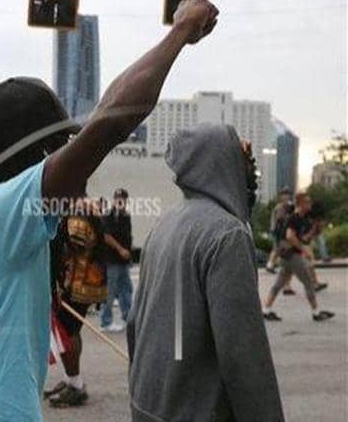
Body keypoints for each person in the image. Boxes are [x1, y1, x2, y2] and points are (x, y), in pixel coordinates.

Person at [0, 0, 220, 421]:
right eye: (57, 144)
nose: (66, 155)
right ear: (33, 148)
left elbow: (103, 117)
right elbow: (110, 124)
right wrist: (180, 32)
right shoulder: (3, 210)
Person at [127, 126, 284, 421]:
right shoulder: (227, 234)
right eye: (243, 160)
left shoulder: (164, 224)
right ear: (220, 163)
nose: (250, 170)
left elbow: (135, 322)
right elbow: (243, 354)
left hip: (148, 406)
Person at [44, 206, 107, 408]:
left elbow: (76, 246)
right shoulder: (81, 207)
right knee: (70, 329)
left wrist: (62, 280)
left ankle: (76, 385)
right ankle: (71, 379)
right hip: (81, 280)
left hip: (79, 282)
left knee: (66, 331)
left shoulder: (78, 211)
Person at [262, 193, 335, 322]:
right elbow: (290, 236)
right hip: (292, 255)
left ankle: (266, 310)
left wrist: (313, 232)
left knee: (279, 284)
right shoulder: (293, 218)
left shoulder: (303, 219)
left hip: (287, 256)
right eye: (307, 202)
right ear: (301, 204)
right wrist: (303, 250)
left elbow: (303, 238)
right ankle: (316, 313)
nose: (310, 205)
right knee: (309, 282)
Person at [100, 188, 133, 332]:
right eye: (117, 199)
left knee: (126, 289)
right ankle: (105, 321)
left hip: (123, 261)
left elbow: (127, 236)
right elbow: (106, 236)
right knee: (110, 291)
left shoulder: (125, 216)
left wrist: (128, 253)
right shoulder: (109, 215)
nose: (120, 201)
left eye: (122, 199)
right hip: (112, 260)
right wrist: (120, 250)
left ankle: (128, 318)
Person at [266, 188, 292, 274]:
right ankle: (270, 265)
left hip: (281, 231)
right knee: (277, 249)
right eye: (285, 194)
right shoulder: (279, 207)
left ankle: (272, 265)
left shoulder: (286, 206)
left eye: (288, 195)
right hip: (277, 231)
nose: (286, 196)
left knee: (279, 249)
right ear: (281, 196)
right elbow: (279, 219)